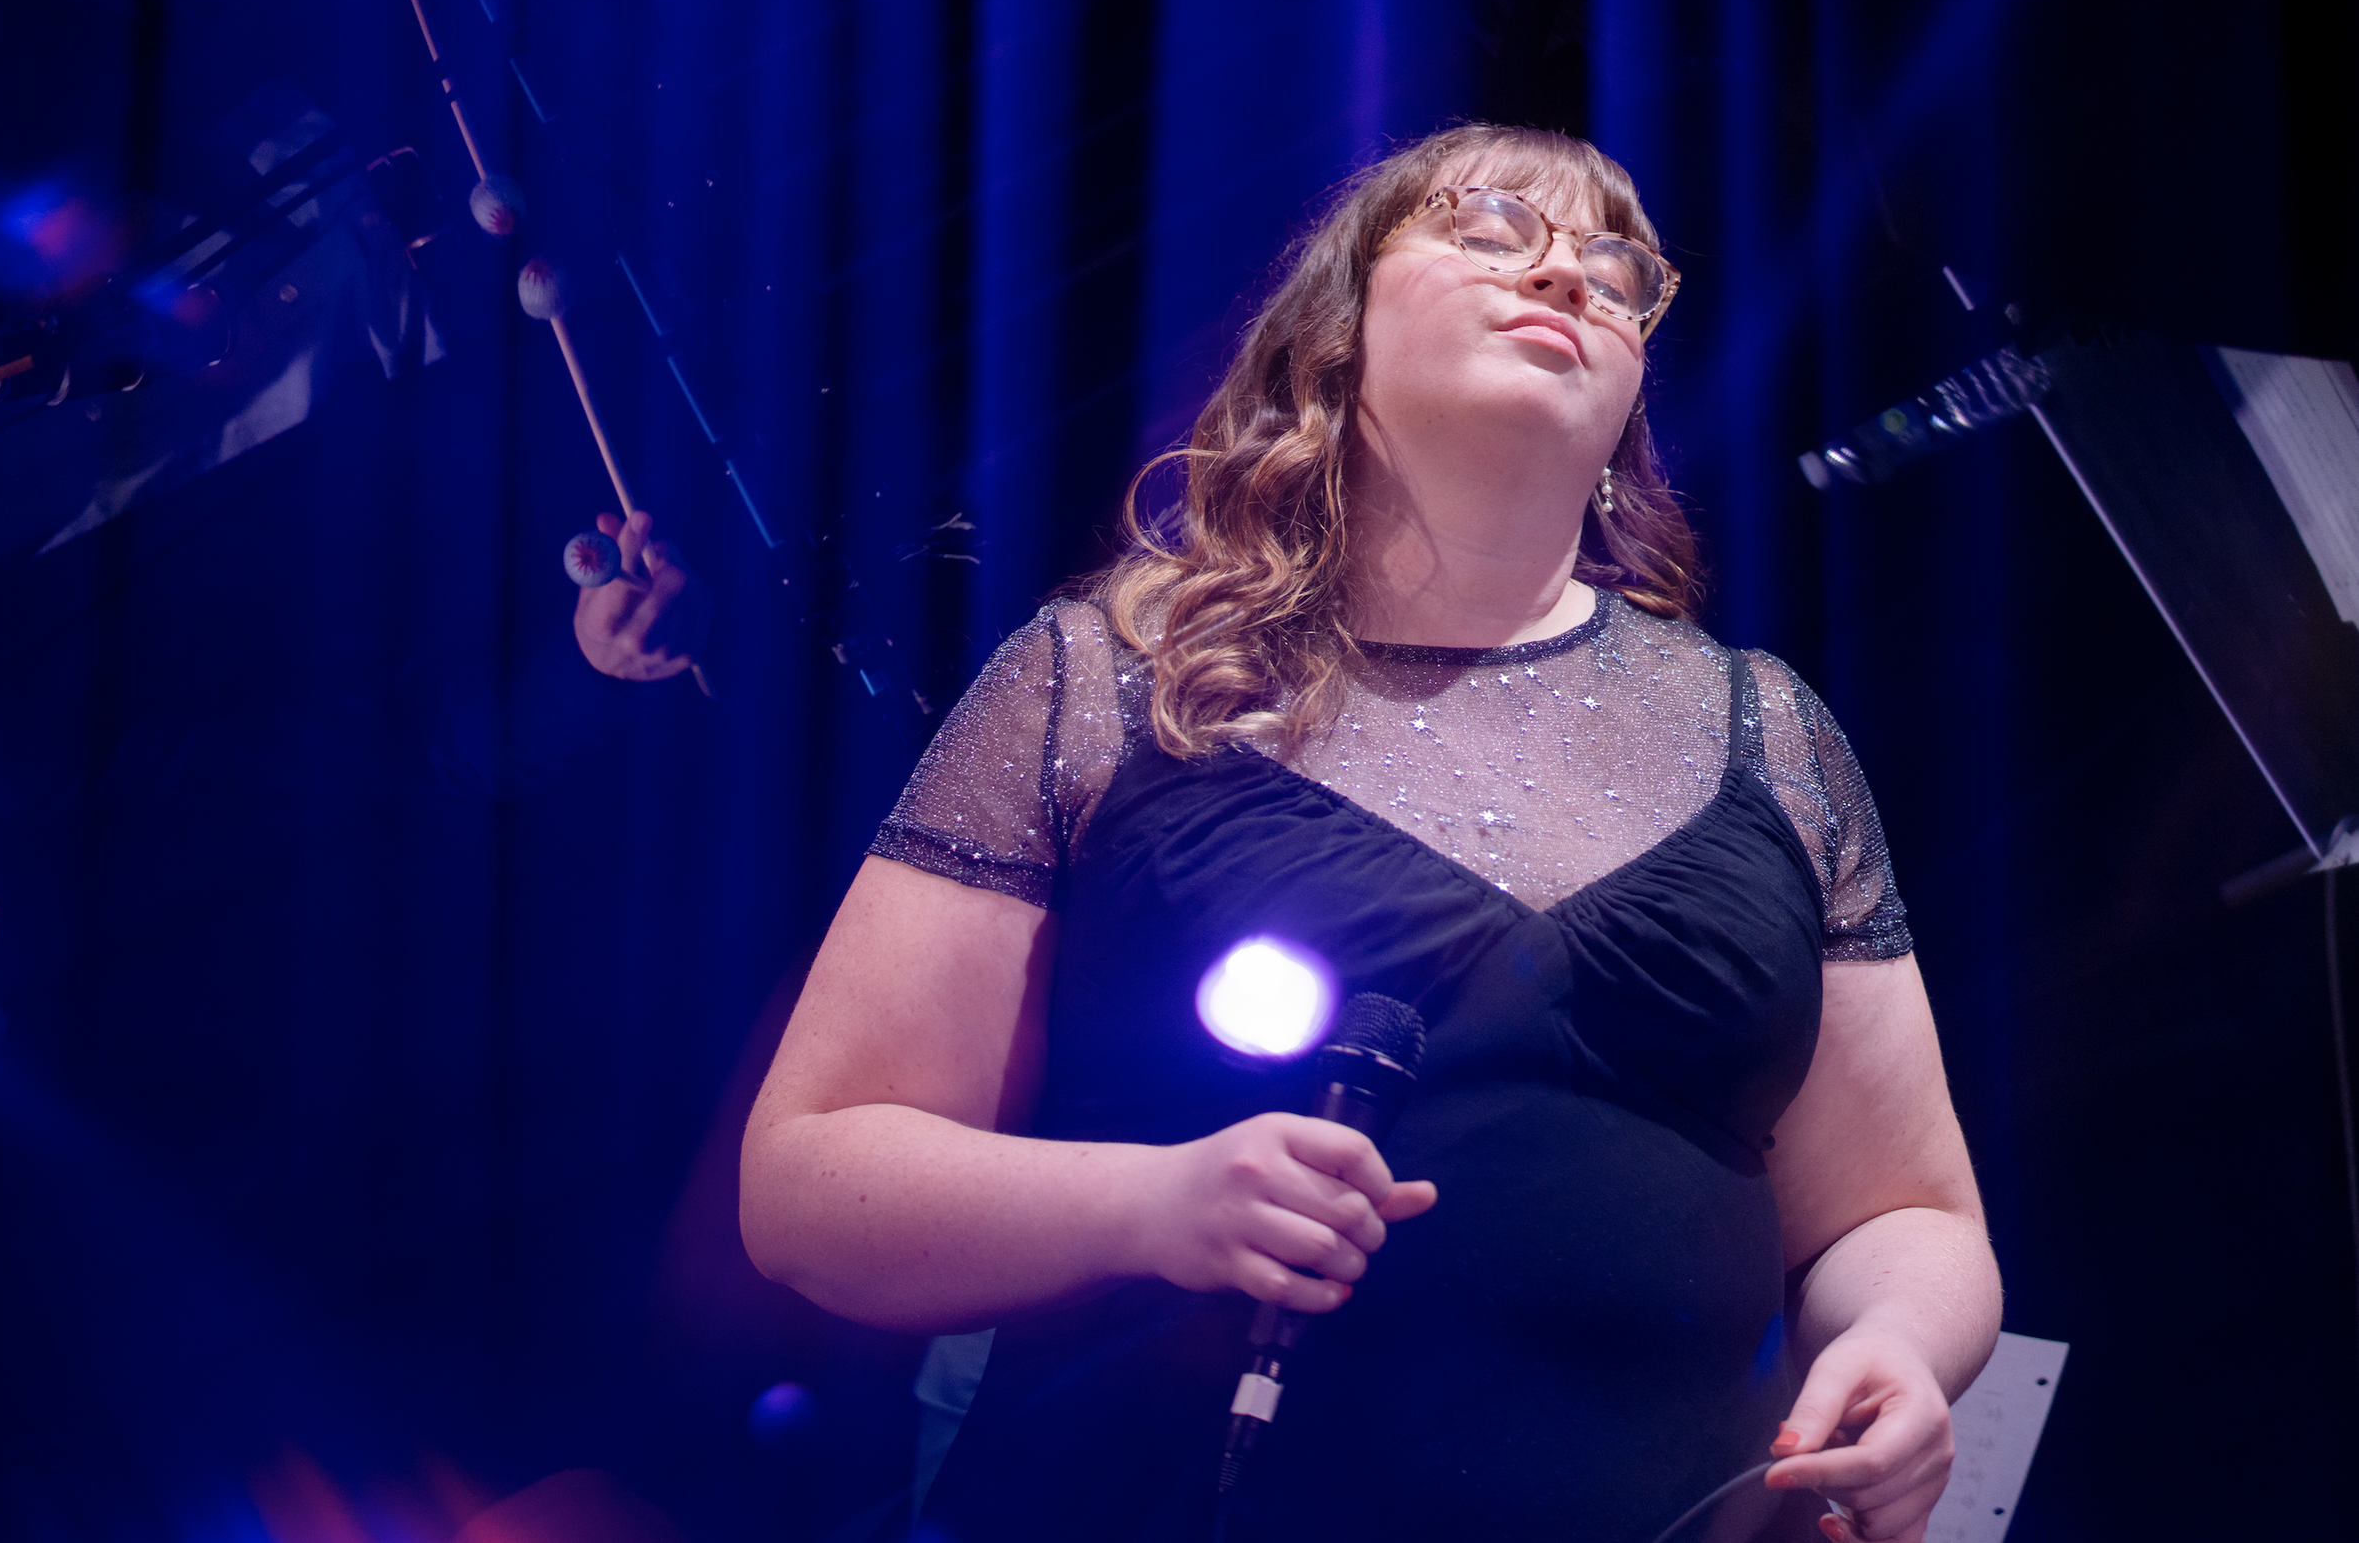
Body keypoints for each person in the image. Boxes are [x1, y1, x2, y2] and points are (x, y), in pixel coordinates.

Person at [735, 124, 2001, 1543]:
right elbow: (807, 1184)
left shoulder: (1773, 734)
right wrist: (1154, 1206)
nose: (1566, 277)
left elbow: (1906, 1216)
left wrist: (1897, 1342)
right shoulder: (1104, 681)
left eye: (1611, 264)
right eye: (1492, 228)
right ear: (1338, 332)